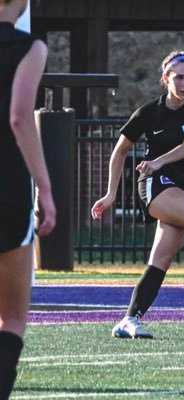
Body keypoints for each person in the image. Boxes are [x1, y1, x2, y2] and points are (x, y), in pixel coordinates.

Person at [91, 50, 184, 339]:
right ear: (165, 79)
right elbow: (119, 150)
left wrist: (160, 159)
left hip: (183, 185)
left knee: (161, 259)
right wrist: (111, 194)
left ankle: (129, 320)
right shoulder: (149, 112)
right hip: (155, 184)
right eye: (180, 77)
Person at [0, 0, 56, 397]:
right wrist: (46, 189)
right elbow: (20, 117)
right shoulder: (30, 47)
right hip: (8, 186)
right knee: (13, 317)